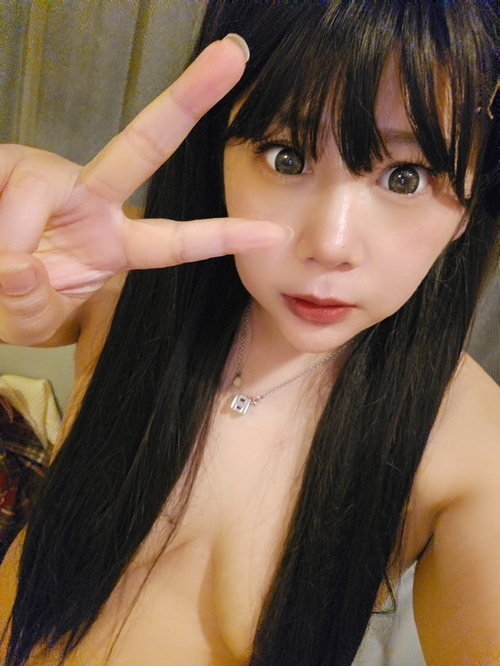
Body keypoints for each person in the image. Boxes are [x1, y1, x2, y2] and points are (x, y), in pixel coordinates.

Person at [0, 3, 499, 665]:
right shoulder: (124, 273)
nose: (331, 245)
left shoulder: (469, 447)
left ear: (471, 201)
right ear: (221, 153)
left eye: (404, 177)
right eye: (286, 156)